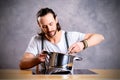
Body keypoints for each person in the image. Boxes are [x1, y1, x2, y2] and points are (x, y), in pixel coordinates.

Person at [19, 7, 104, 70]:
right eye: (44, 26)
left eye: (51, 24)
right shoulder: (36, 40)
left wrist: (82, 44)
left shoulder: (70, 36)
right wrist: (37, 59)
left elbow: (100, 37)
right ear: (39, 25)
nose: (49, 29)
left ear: (56, 19)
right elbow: (22, 64)